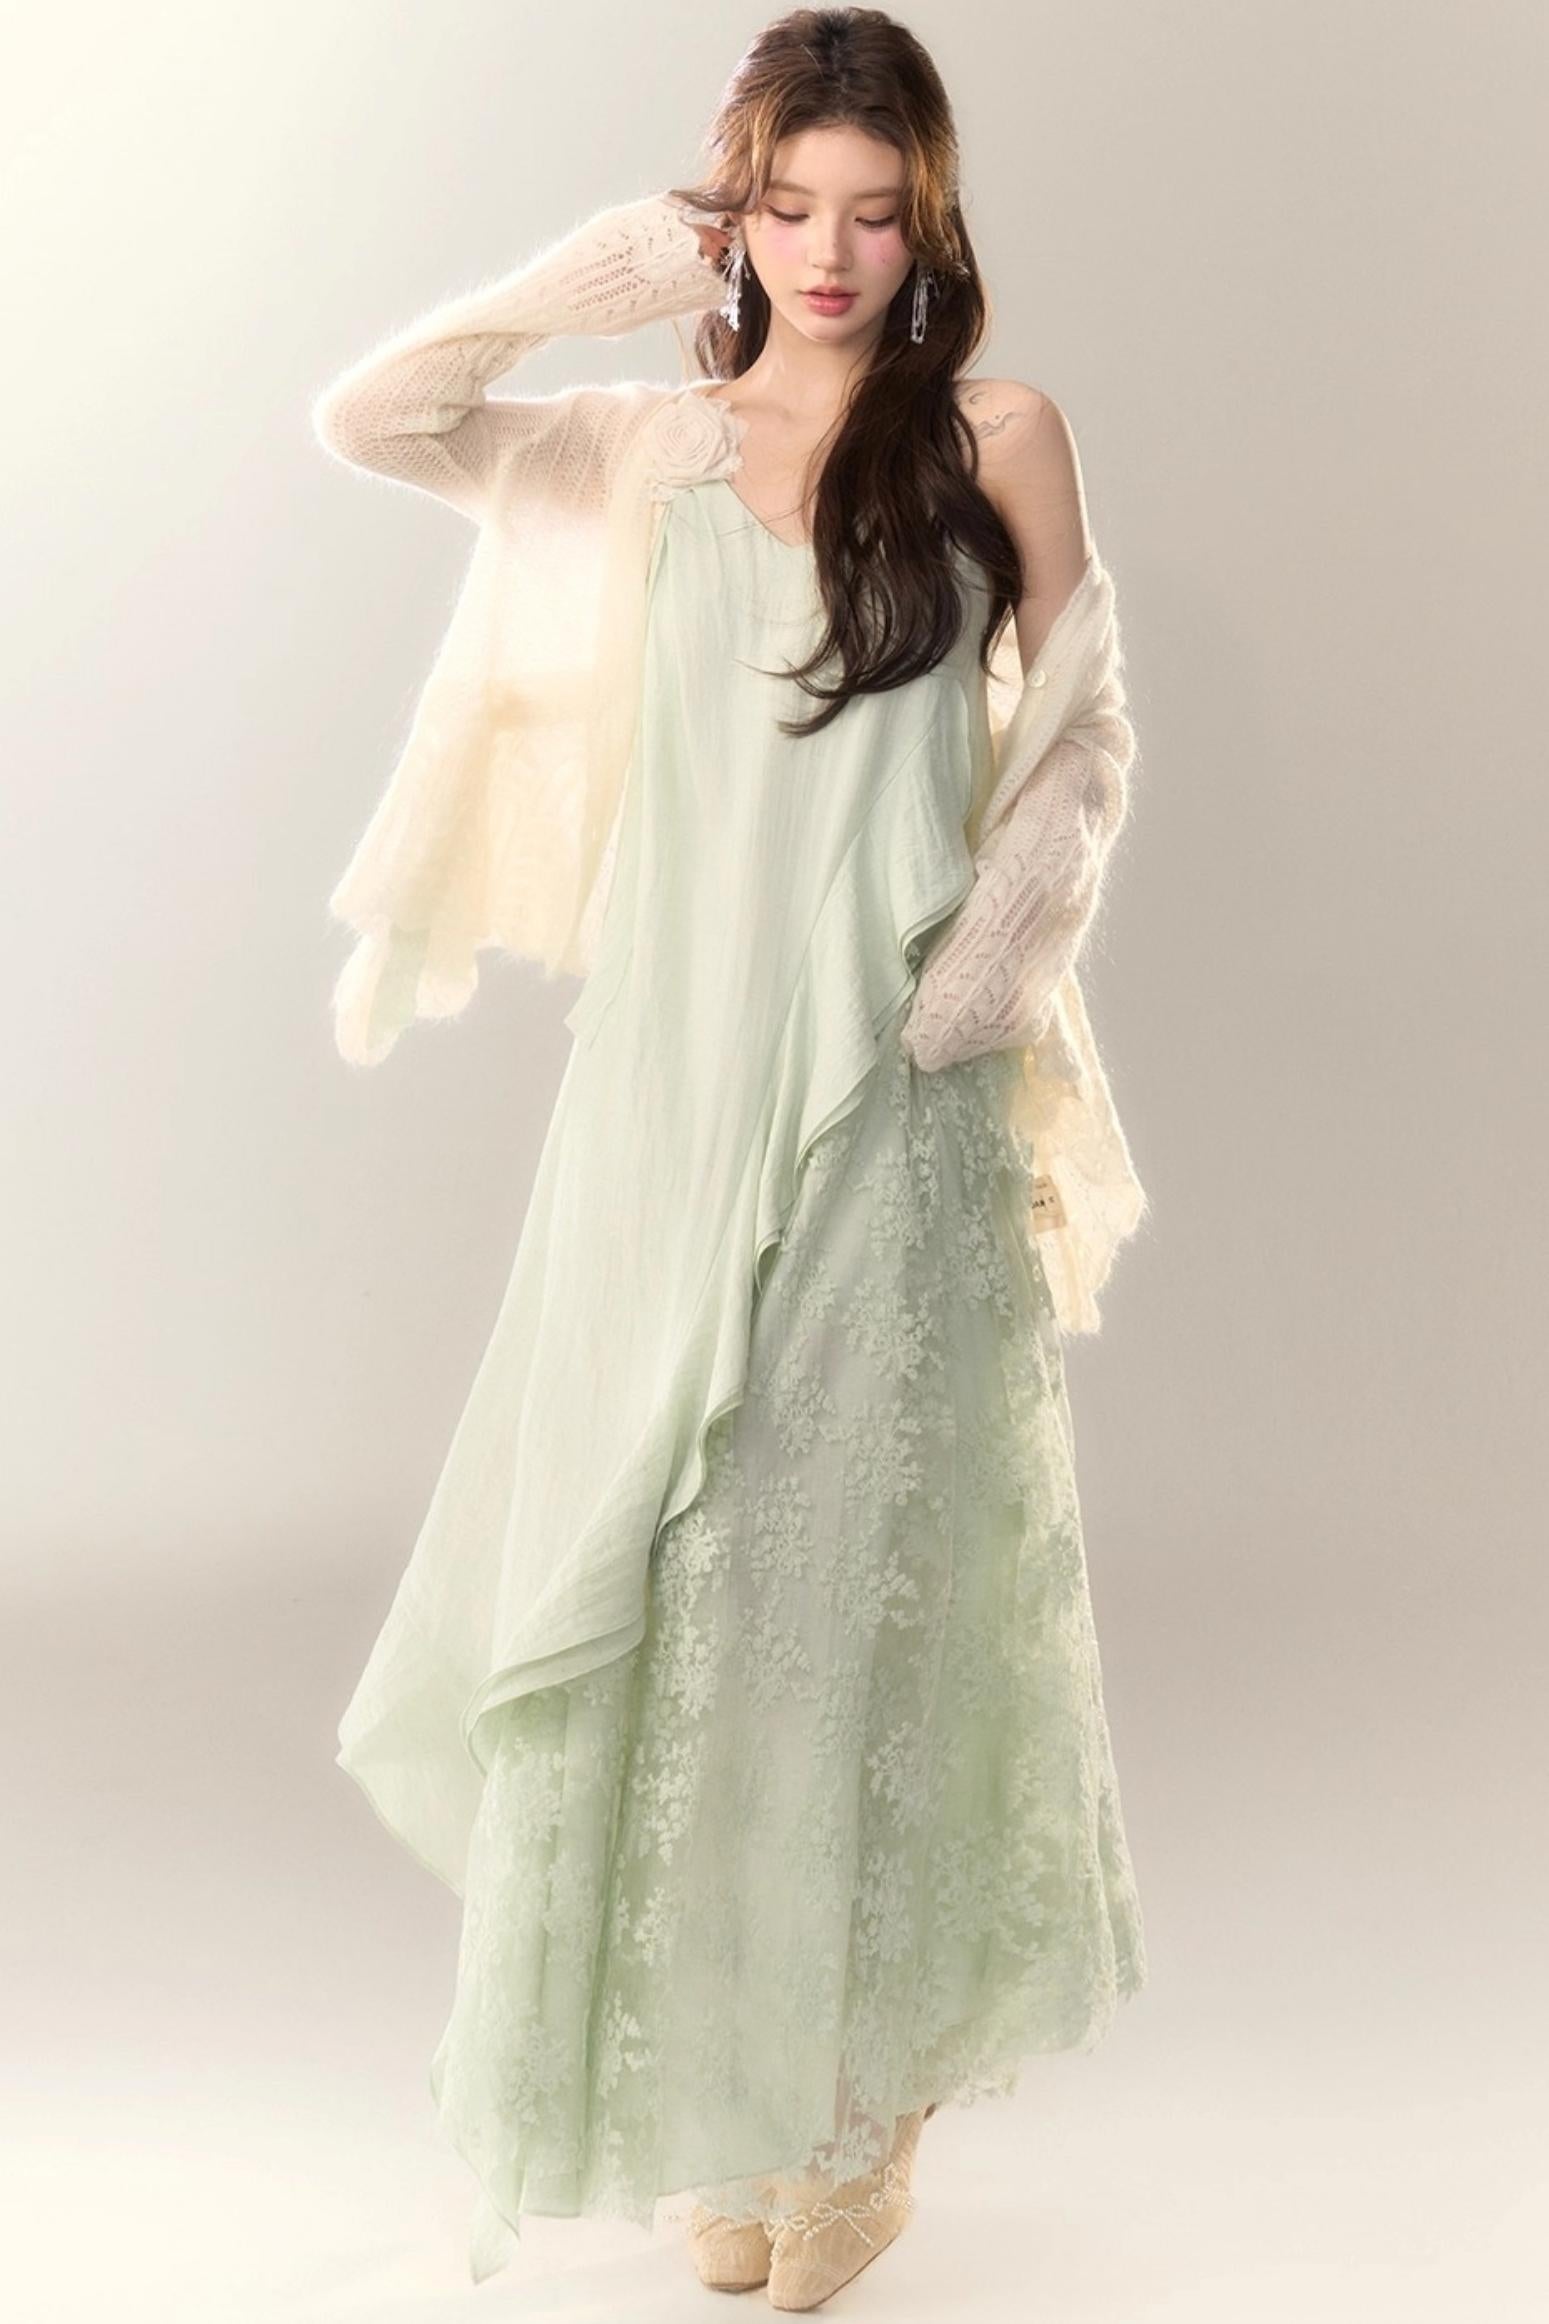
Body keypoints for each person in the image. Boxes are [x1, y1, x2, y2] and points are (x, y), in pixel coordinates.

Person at [311, 7, 1149, 2308]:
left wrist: (1005, 938)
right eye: (787, 205)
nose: (831, 253)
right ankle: (724, 2089)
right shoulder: (649, 447)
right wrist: (567, 288)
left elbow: (1085, 726)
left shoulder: (994, 433)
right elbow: (374, 420)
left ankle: (856, 2118)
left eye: (874, 212)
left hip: (899, 1087)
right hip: (668, 1102)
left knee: (850, 1593)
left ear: (930, 221)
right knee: (680, 1590)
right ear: (734, 210)